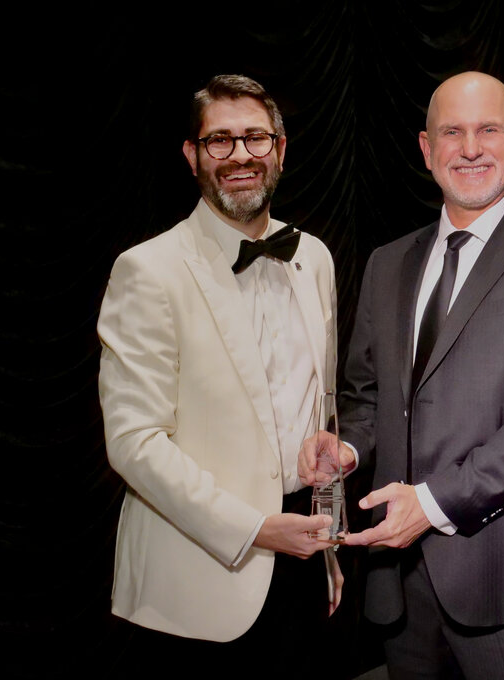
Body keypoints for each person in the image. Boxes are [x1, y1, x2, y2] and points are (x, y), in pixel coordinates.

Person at [301, 71, 504, 679]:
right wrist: (344, 446)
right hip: (402, 589)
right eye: (452, 132)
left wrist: (434, 502)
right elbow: (368, 399)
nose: (470, 148)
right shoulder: (387, 263)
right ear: (425, 148)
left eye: (488, 129)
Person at [98, 74, 341, 676]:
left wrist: (328, 547)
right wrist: (256, 529)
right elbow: (134, 442)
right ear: (193, 156)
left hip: (304, 563)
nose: (240, 157)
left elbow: (320, 409)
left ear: (280, 150)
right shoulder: (148, 270)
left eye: (256, 140)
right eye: (220, 142)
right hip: (198, 583)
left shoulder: (313, 258)